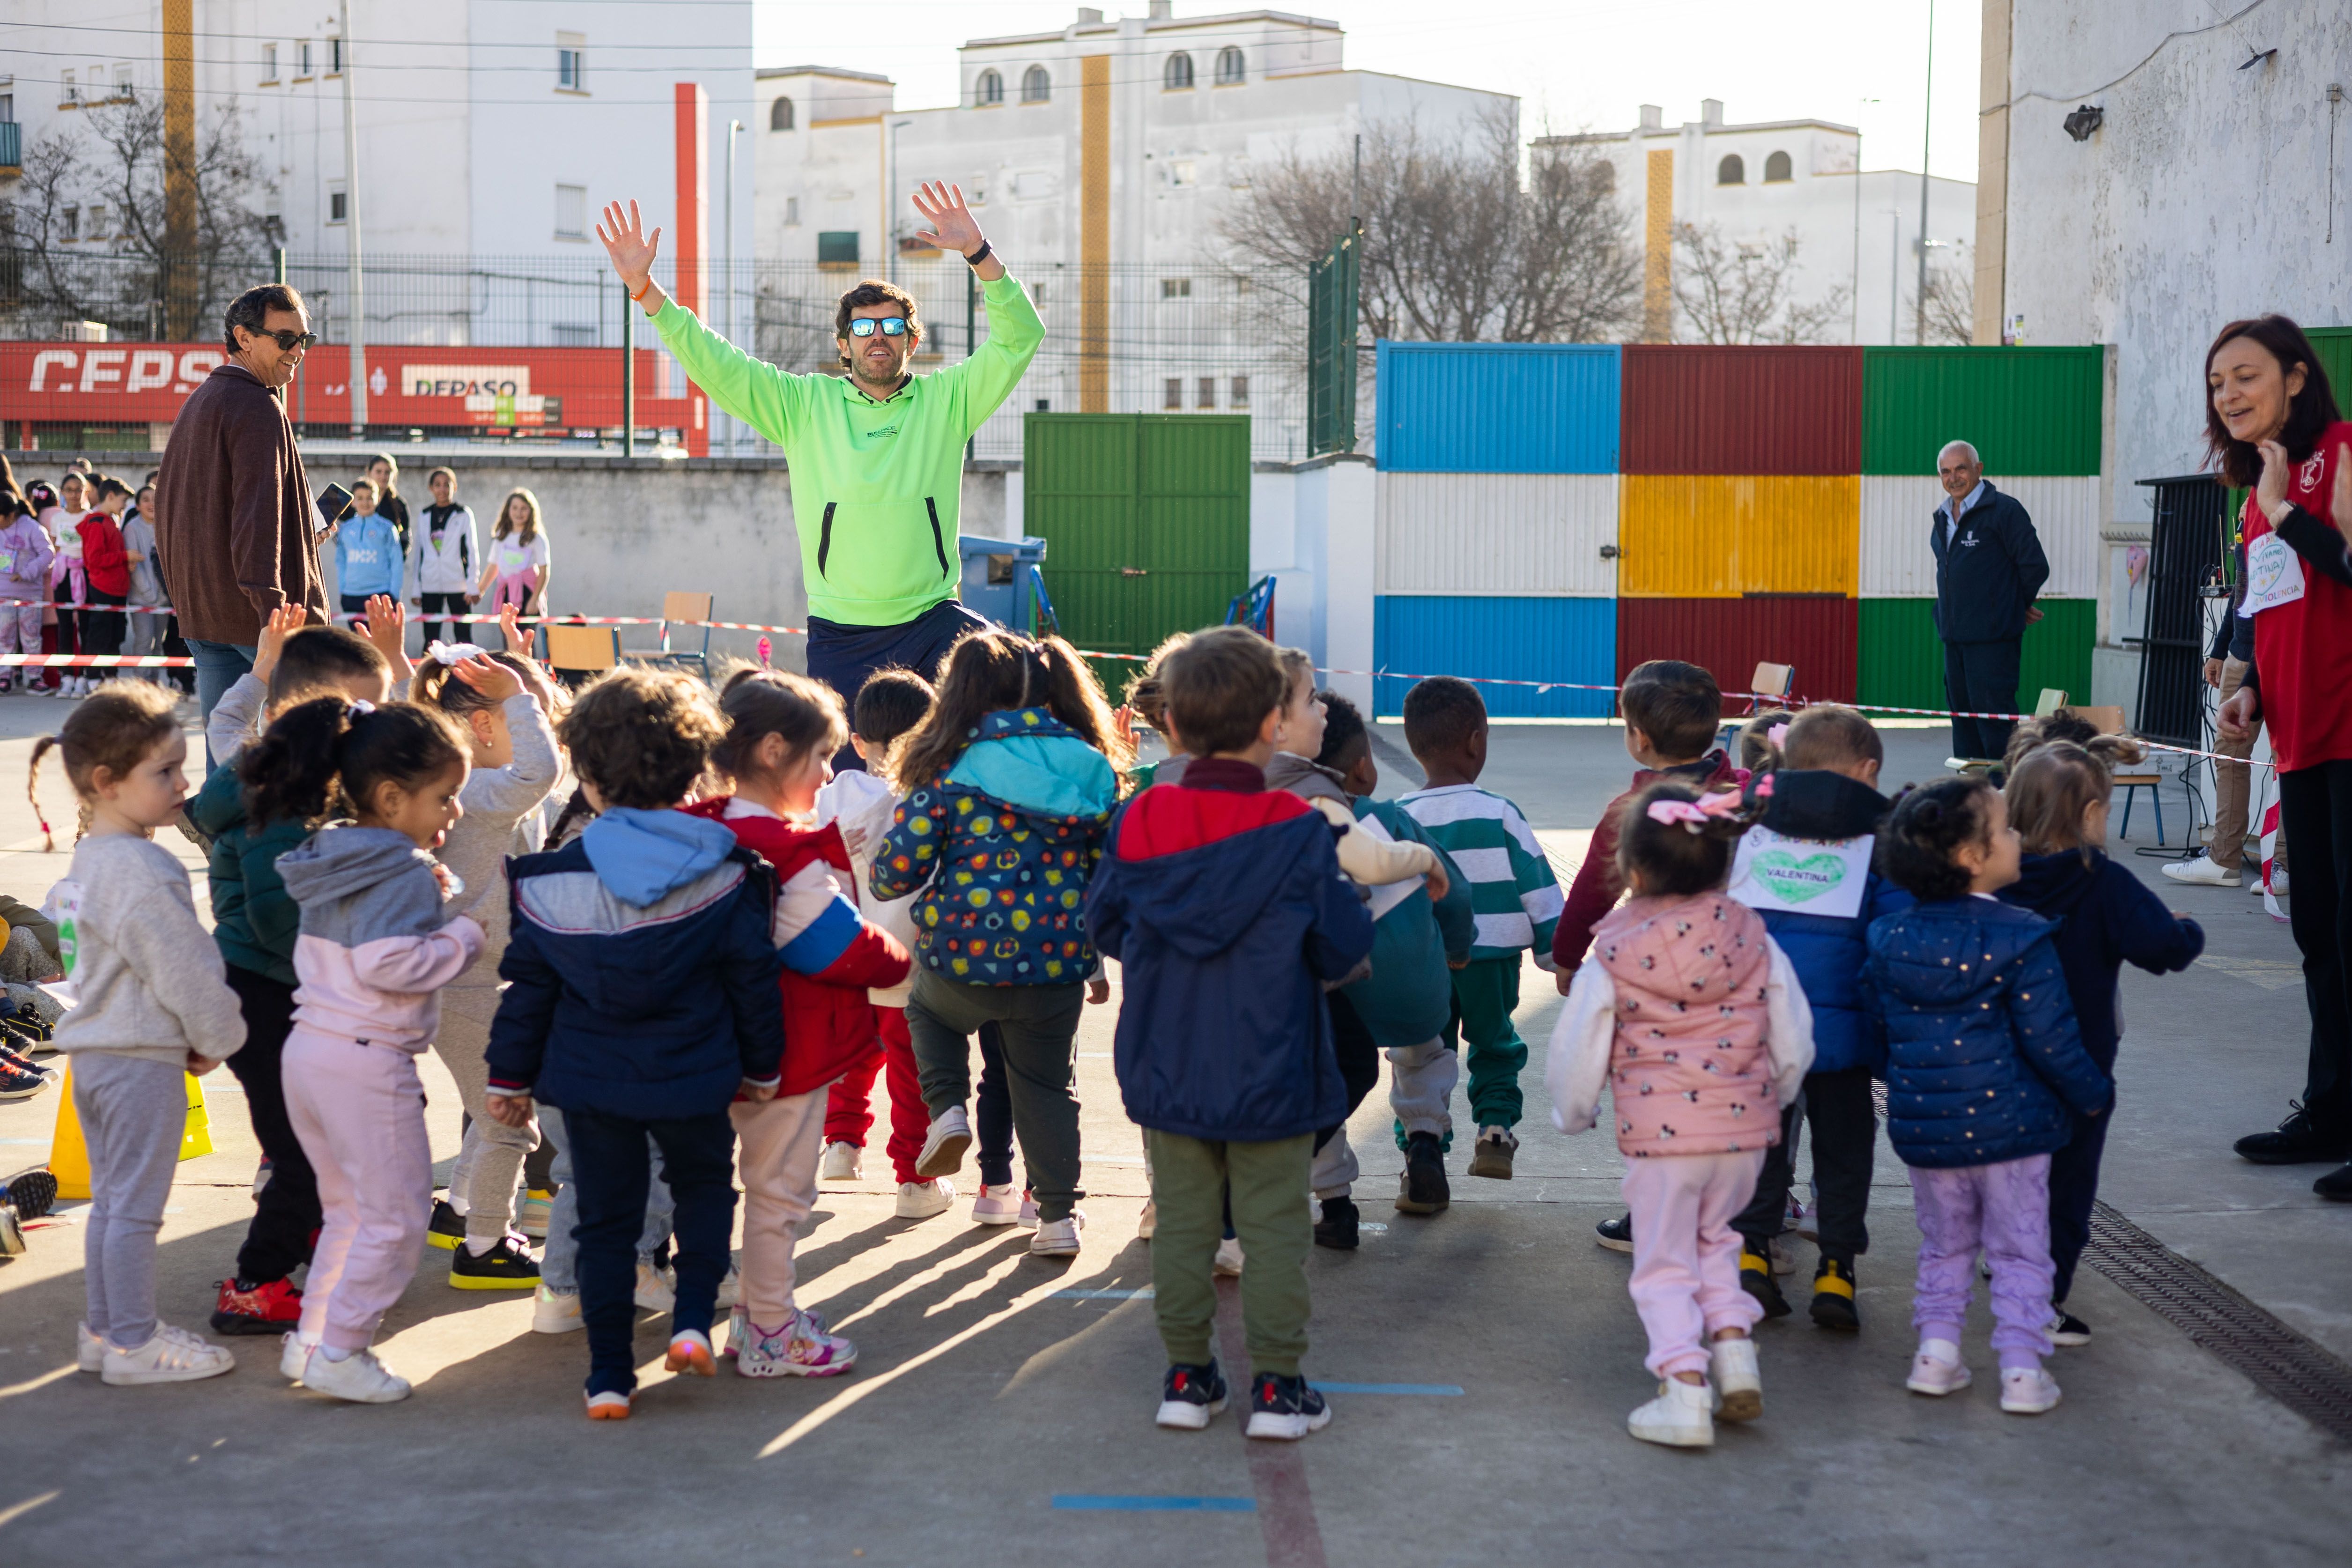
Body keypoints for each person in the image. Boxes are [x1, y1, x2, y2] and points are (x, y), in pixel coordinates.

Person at [596, 186, 1042, 769]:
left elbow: (1020, 337)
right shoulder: (804, 405)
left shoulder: (949, 400)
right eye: (862, 329)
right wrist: (647, 292)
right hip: (843, 633)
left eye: (890, 326)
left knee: (1022, 693)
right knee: (851, 779)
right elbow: (718, 364)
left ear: (912, 341)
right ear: (843, 345)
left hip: (934, 618)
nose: (877, 337)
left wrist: (980, 253)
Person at [1084, 625, 1375, 1440]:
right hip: (1274, 1063)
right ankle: (1279, 1390)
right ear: (1269, 725)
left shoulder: (1139, 819)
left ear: (1169, 724)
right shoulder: (1293, 828)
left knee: (1183, 1225)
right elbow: (1342, 945)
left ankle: (1186, 1377)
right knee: (1276, 1229)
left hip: (1167, 1061)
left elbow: (1104, 922)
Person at [485, 669, 785, 1419]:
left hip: (591, 1085)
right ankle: (690, 1325)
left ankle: (609, 1377)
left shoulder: (546, 884)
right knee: (706, 1191)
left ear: (586, 778)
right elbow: (753, 983)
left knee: (606, 1221)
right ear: (697, 771)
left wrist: (507, 1080)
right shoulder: (731, 875)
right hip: (698, 1074)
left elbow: (529, 993)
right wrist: (762, 1067)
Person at [1546, 778, 1812, 1448]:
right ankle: (1734, 1357)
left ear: (1631, 870)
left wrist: (1572, 1113)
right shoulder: (1753, 934)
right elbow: (1793, 1035)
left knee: (1662, 1262)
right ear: (1724, 863)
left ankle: (1684, 1390)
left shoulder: (1613, 947)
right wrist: (1772, 1097)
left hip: (1663, 1141)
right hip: (1741, 1138)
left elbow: (1579, 1045)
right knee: (1716, 1242)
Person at [872, 629, 1127, 1258]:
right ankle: (1057, 1222)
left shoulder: (948, 765)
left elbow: (889, 877)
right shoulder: (1092, 766)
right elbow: (1106, 875)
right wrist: (1090, 955)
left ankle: (948, 1110)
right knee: (1044, 1087)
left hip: (959, 959)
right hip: (1054, 968)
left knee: (924, 1010)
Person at [686, 670, 911, 1377]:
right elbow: (834, 945)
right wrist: (900, 962)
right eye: (820, 758)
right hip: (787, 1046)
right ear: (775, 751)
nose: (827, 775)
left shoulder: (698, 829)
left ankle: (757, 1312)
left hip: (708, 1039)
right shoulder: (785, 850)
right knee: (780, 1192)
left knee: (750, 1186)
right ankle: (772, 1332)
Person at [1867, 777, 2112, 1416]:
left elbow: (1877, 1029)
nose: (2016, 839)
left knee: (1944, 1246)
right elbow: (2050, 1038)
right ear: (1972, 857)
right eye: (2004, 831)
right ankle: (2024, 1372)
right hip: (2014, 1133)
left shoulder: (1888, 938)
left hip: (1929, 1135)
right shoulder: (2024, 936)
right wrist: (2091, 1093)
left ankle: (1936, 1356)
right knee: (2019, 1250)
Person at [264, 701, 486, 1403]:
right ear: (392, 798)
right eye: (444, 797)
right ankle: (344, 1349)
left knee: (350, 1210)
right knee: (394, 1217)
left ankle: (316, 1340)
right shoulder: (400, 870)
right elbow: (391, 964)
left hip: (310, 1053)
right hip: (366, 1060)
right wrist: (465, 938)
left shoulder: (335, 857)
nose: (453, 813)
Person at [35, 684, 248, 1385]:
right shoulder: (143, 868)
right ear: (107, 783)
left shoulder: (90, 863)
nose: (184, 785)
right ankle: (133, 1343)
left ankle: (105, 1332)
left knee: (114, 1206)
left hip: (96, 1062)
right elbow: (182, 966)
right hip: (138, 1062)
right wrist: (219, 1034)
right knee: (135, 1211)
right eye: (165, 772)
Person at [195, 613, 396, 1338]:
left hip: (270, 989)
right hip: (266, 992)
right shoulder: (278, 804)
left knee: (310, 1144)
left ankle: (304, 1245)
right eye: (361, 718)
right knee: (303, 1151)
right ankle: (256, 1283)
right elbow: (282, 919)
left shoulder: (277, 777)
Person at [2208, 316, 2352, 1199]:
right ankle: (2331, 1109)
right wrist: (2251, 683)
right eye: (2217, 380)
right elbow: (2270, 603)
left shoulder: (2338, 451)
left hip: (2350, 727)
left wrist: (2288, 509)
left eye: (2245, 375)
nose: (2228, 393)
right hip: (2298, 736)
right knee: (2319, 934)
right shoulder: (2246, 486)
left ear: (2295, 378)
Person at [2001, 733, 2204, 1343]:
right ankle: (2039, 1301)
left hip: (1995, 1066)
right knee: (2065, 1186)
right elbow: (2161, 949)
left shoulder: (1993, 876)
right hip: (2077, 1071)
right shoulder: (2103, 882)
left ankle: (2001, 1260)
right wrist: (2186, 929)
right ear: (2091, 815)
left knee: (2006, 1174)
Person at [1723, 705, 1910, 1329]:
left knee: (1761, 1145)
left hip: (1759, 1031)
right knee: (1844, 1152)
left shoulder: (1749, 826)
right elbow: (1894, 934)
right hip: (1842, 1038)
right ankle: (1836, 1270)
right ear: (1867, 770)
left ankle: (1751, 1260)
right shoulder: (1879, 841)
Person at [410, 642, 564, 1286]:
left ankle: (465, 1212)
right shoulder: (478, 788)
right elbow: (540, 773)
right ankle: (483, 1248)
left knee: (488, 1107)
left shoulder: (458, 785)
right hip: (466, 983)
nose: (538, 730)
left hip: (467, 980)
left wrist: (516, 698)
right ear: (482, 726)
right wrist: (519, 698)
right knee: (511, 1121)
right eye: (523, 721)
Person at [1297, 692, 1472, 1251]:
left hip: (1342, 997)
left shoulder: (1299, 825)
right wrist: (1458, 951)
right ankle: (1424, 1143)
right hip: (1417, 996)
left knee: (1325, 1081)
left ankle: (1336, 1206)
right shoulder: (1397, 820)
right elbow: (1457, 893)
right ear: (1365, 768)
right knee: (1428, 1051)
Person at [1394, 676, 1563, 1207]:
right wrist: (1556, 954)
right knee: (1494, 1043)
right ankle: (1494, 1131)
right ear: (1475, 741)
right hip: (1491, 963)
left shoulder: (1399, 817)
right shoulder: (1501, 812)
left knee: (1423, 1053)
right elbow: (1540, 889)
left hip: (1423, 965)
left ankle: (1423, 1149)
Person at [811, 668, 957, 1218]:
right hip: (908, 956)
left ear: (856, 742)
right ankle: (915, 1181)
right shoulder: (925, 802)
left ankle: (843, 1143)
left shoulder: (832, 796)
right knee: (910, 1070)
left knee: (853, 1054)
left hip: (840, 953)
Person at [153, 282, 330, 731]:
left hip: (205, 616)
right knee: (300, 756)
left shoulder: (199, 402)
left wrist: (304, 535)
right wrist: (274, 613)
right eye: (286, 338)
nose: (299, 350)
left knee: (226, 753)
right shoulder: (257, 406)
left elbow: (175, 514)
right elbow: (256, 522)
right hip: (261, 622)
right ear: (244, 338)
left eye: (304, 339)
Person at [2171, 537, 2288, 892]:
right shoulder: (2249, 509)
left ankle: (2282, 863)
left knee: (2289, 761)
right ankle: (2224, 859)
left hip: (2283, 650)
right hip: (2242, 653)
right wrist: (2220, 649)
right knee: (2229, 756)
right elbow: (2242, 589)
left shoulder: (2295, 499)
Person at [1931, 439, 2050, 762]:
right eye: (1946, 472)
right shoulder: (1942, 518)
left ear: (1978, 469)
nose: (1953, 478)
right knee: (1964, 726)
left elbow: (2035, 566)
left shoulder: (2004, 511)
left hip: (1992, 643)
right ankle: (1972, 802)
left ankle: (2006, 800)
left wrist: (2012, 608)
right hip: (1954, 641)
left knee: (1995, 729)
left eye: (1961, 469)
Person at [410, 467, 477, 647]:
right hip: (430, 583)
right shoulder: (425, 515)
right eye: (437, 485)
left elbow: (472, 550)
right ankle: (430, 674)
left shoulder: (463, 514)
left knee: (463, 635)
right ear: (431, 488)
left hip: (458, 583)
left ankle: (466, 674)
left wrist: (472, 585)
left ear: (454, 487)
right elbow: (419, 552)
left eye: (446, 485)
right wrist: (417, 589)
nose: (442, 490)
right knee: (431, 638)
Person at [0, 488, 56, 694]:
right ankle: (4, 676)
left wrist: (26, 573)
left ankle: (34, 677)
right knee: (3, 637)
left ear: (11, 514)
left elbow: (48, 555)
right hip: (2, 595)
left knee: (31, 636)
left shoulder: (32, 528)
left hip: (29, 594)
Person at [331, 480, 405, 621]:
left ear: (377, 499)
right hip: (351, 595)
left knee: (380, 643)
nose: (365, 503)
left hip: (381, 594)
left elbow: (397, 562)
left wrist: (394, 594)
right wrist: (343, 589)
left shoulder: (387, 528)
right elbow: (341, 561)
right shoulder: (345, 529)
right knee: (358, 642)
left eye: (370, 498)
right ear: (352, 502)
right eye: (360, 498)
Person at [475, 490, 550, 617]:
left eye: (524, 509)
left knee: (525, 635)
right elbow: (493, 566)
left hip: (528, 594)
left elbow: (544, 571)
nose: (519, 513)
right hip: (507, 593)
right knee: (508, 635)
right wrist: (479, 590)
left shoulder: (537, 538)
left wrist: (535, 599)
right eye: (515, 508)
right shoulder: (501, 537)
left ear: (532, 511)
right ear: (508, 510)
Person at [49, 472, 89, 699]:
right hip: (63, 574)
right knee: (65, 626)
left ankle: (84, 677)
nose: (74, 495)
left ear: (85, 492)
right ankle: (66, 677)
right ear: (62, 493)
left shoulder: (92, 517)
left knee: (86, 627)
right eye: (70, 490)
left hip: (86, 573)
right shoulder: (57, 518)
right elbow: (56, 547)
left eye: (79, 490)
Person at [121, 484, 166, 678]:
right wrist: (149, 594)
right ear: (137, 506)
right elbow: (135, 567)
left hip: (164, 599)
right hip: (142, 599)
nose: (152, 504)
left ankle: (153, 683)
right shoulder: (132, 528)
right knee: (144, 640)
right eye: (146, 500)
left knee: (159, 642)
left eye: (155, 499)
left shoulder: (166, 525)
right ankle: (140, 683)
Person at [366, 454, 411, 557]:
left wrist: (395, 561)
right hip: (360, 566)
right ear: (369, 472)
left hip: (387, 568)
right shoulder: (355, 500)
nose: (383, 476)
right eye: (379, 472)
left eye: (388, 472)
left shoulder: (399, 505)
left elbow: (406, 540)